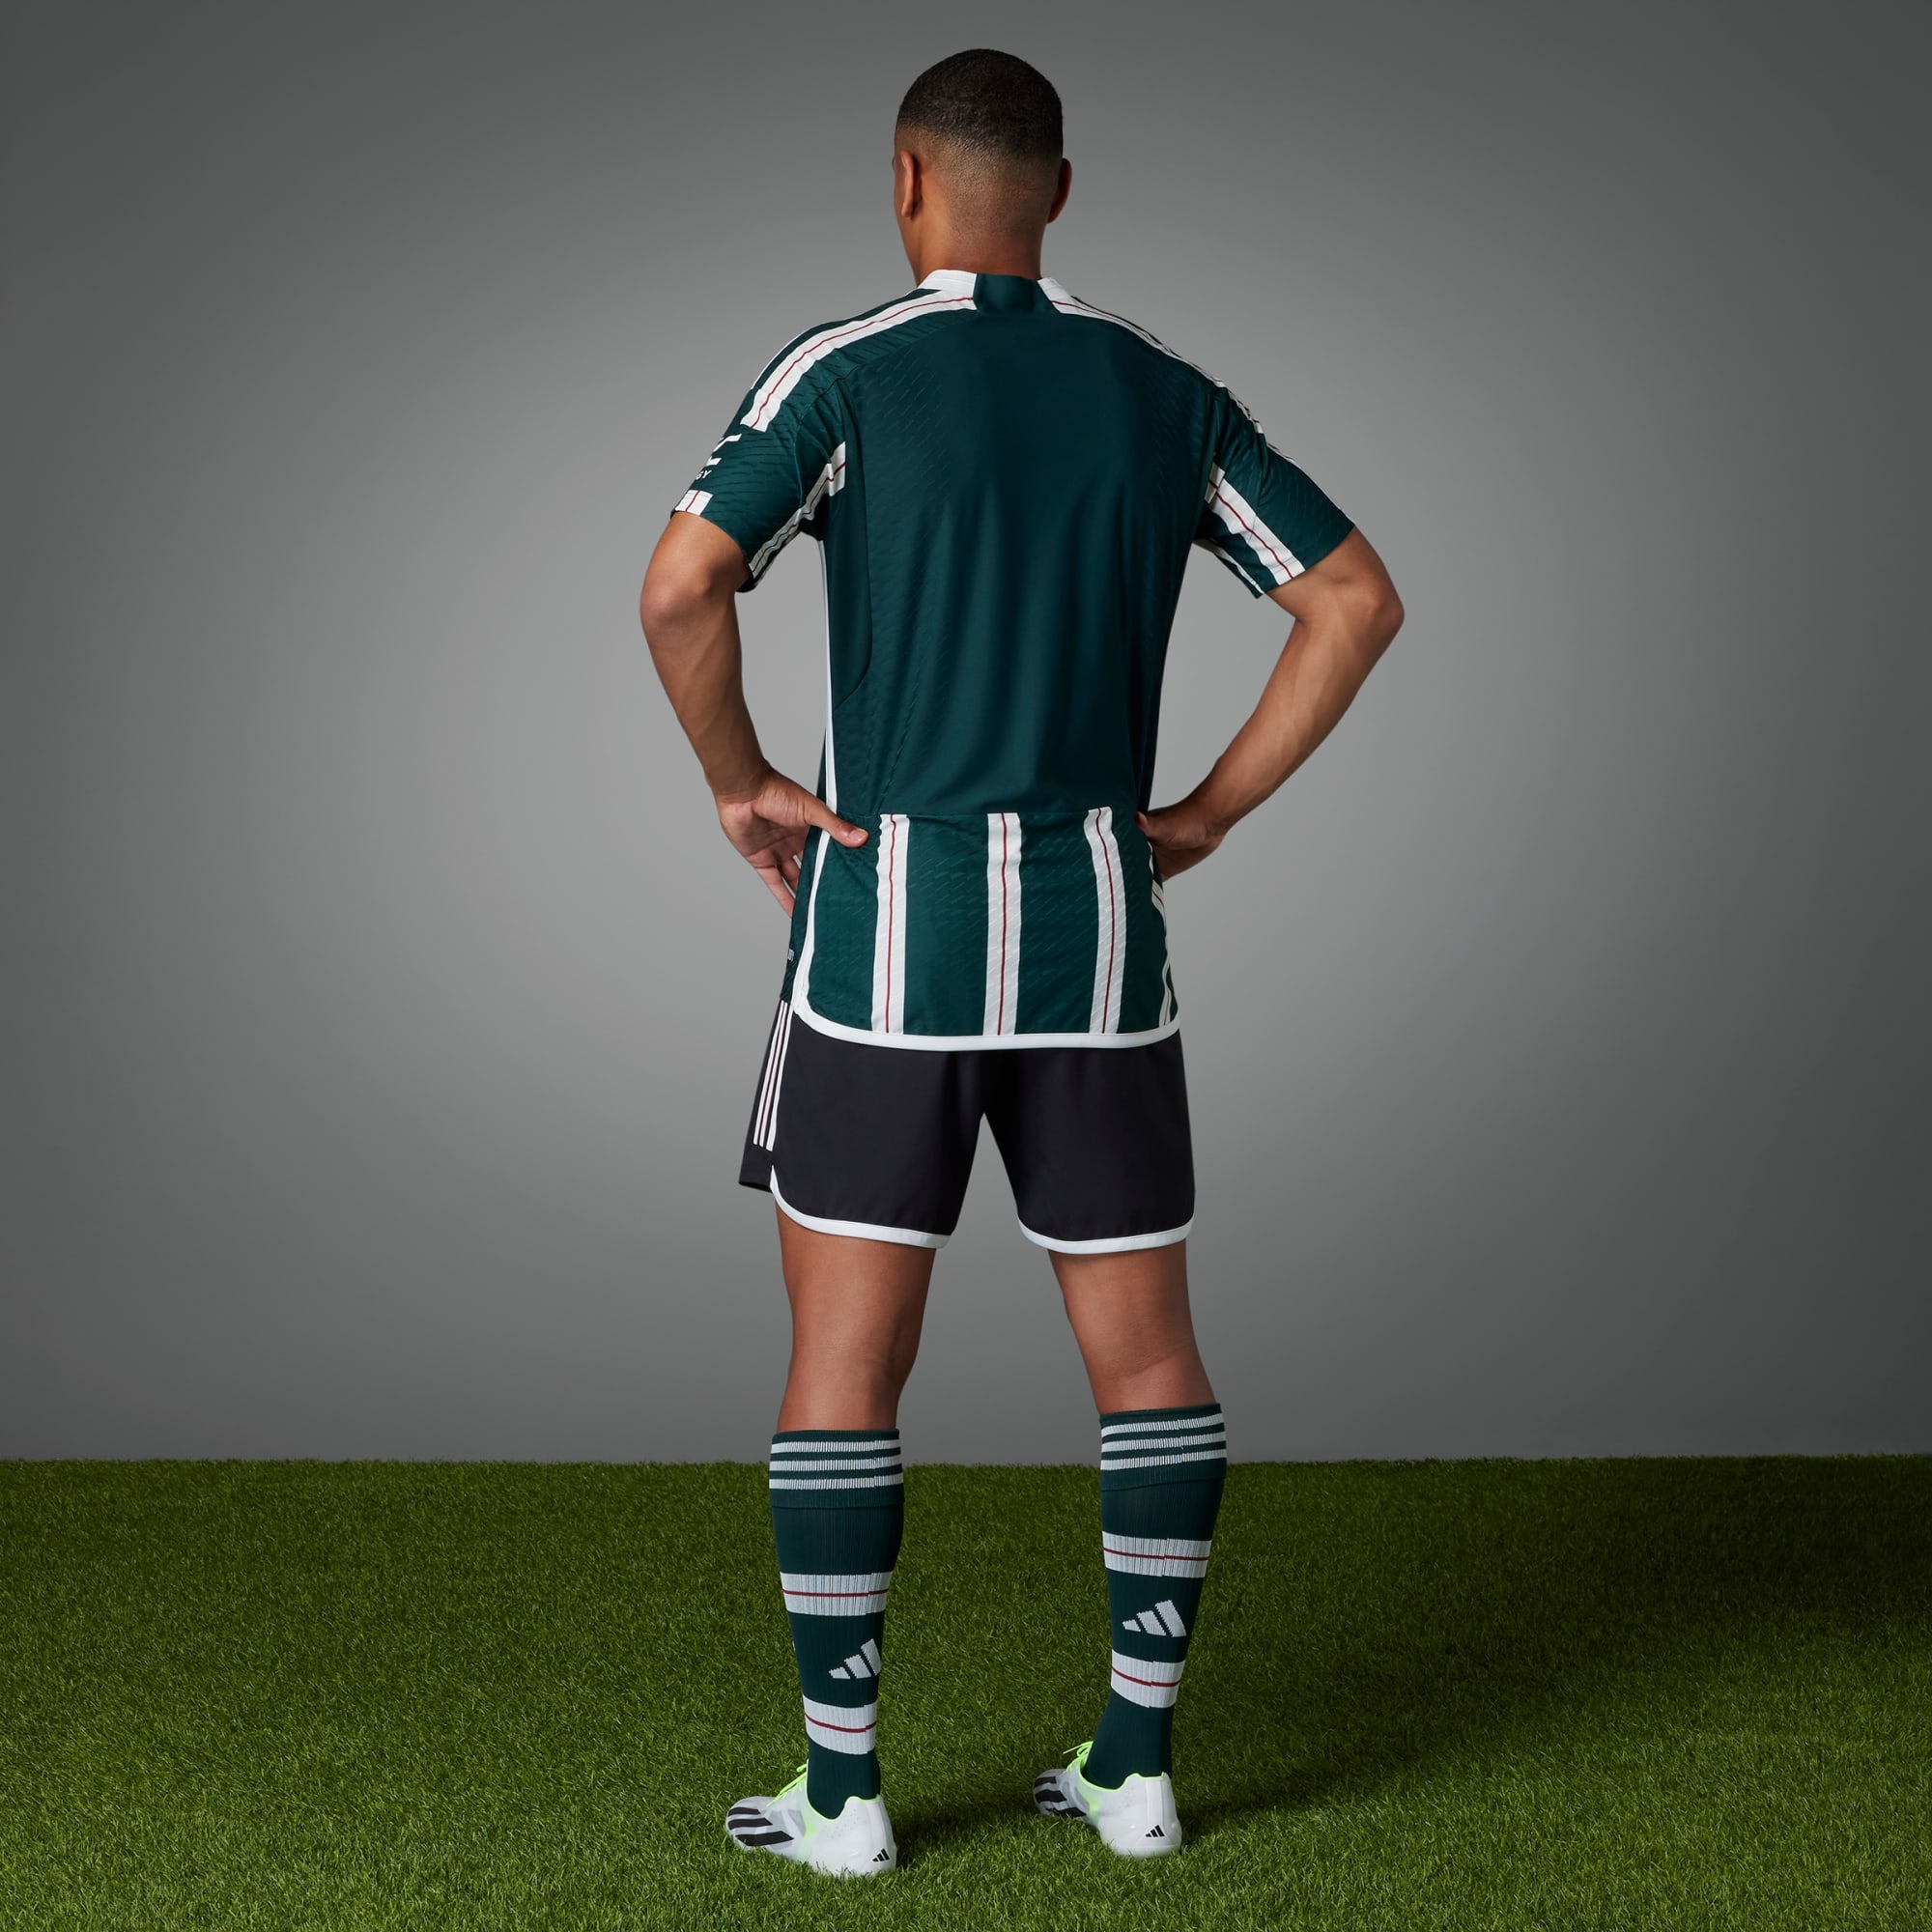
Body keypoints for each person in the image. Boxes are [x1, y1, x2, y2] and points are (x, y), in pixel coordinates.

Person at [639, 47, 1402, 1876]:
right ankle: (1136, 1771)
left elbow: (680, 585)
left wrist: (743, 782)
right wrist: (1203, 814)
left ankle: (845, 1797)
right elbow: (1354, 599)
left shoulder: (845, 373)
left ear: (906, 180)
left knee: (848, 1361)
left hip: (883, 942)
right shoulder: (1165, 392)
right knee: (1150, 1360)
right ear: (1058, 191)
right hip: (1095, 937)